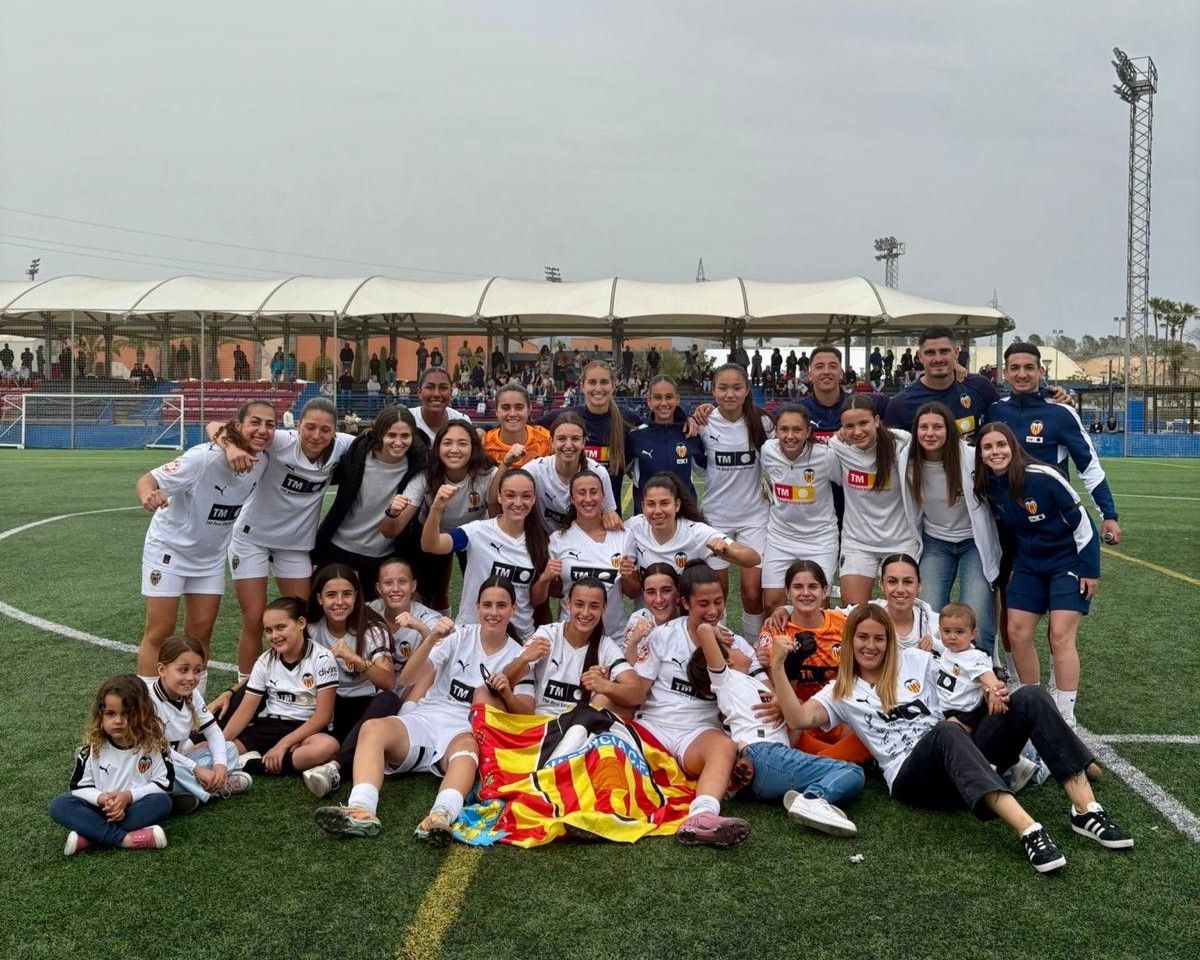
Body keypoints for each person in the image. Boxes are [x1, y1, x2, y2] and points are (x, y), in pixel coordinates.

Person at [780, 604, 1132, 873]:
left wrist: (990, 687)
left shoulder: (914, 660)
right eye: (863, 637)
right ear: (850, 639)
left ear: (889, 640)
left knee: (1030, 697)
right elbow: (797, 717)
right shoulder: (840, 691)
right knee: (945, 731)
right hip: (913, 777)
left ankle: (1085, 809)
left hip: (958, 752)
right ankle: (1029, 830)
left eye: (879, 637)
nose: (871, 645)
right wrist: (778, 668)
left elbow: (963, 669)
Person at [313, 578, 532, 842]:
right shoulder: (460, 635)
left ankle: (440, 816)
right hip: (428, 717)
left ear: (513, 609)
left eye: (501, 605)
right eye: (487, 605)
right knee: (373, 728)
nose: (493, 612)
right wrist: (433, 638)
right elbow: (407, 678)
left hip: (466, 728)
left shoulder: (519, 655)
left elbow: (525, 716)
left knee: (467, 751)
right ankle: (362, 809)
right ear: (477, 606)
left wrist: (506, 690)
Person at [205, 396, 355, 677]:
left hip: (296, 546)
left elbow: (378, 441)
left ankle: (299, 682)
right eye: (310, 427)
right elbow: (215, 425)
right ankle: (246, 686)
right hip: (251, 539)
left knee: (302, 619)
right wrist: (231, 447)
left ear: (336, 430)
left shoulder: (344, 446)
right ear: (298, 426)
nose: (316, 435)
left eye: (325, 430)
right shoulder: (281, 440)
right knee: (254, 619)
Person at [134, 400, 276, 681]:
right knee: (159, 632)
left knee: (200, 633)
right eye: (255, 422)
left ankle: (192, 706)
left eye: (270, 424)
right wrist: (148, 495)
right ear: (238, 426)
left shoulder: (263, 462)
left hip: (209, 559)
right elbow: (146, 480)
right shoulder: (202, 458)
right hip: (169, 551)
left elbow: (215, 427)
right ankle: (148, 708)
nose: (262, 430)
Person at [975, 423, 1100, 727]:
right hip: (1028, 564)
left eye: (1001, 445)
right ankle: (1035, 703)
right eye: (988, 447)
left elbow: (1083, 523)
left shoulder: (1044, 476)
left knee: (1060, 635)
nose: (996, 452)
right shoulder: (987, 484)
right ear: (980, 454)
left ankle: (1066, 714)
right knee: (1017, 632)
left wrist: (1090, 570)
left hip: (1066, 561)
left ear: (1013, 447)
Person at [700, 615, 864, 836]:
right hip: (764, 752)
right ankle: (814, 799)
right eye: (734, 647)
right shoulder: (727, 680)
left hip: (768, 765)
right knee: (850, 771)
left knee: (840, 769)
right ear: (726, 662)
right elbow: (703, 631)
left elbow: (793, 737)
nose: (742, 648)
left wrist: (788, 710)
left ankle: (755, 786)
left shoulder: (755, 684)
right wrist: (713, 629)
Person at [628, 561, 754, 847]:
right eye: (703, 604)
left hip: (696, 735)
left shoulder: (738, 647)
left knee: (723, 746)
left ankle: (703, 817)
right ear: (685, 603)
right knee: (611, 743)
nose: (712, 611)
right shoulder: (663, 636)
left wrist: (744, 671)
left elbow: (760, 695)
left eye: (719, 602)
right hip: (654, 728)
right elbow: (638, 691)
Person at [986, 342, 1121, 545]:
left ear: (1041, 371)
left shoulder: (1061, 412)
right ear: (1005, 373)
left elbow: (1088, 466)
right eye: (1015, 368)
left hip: (1053, 526)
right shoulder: (994, 411)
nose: (1022, 374)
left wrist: (1108, 515)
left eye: (1029, 367)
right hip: (1006, 526)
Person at [906, 402, 1002, 653]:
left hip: (974, 543)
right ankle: (937, 670)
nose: (930, 433)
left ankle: (983, 672)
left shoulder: (970, 457)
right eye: (923, 427)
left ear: (950, 430)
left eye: (937, 427)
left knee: (976, 612)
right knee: (929, 610)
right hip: (935, 542)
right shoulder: (907, 460)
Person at [688, 363, 772, 638]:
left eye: (737, 388)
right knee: (716, 592)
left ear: (747, 390)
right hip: (716, 518)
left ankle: (754, 647)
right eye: (722, 388)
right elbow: (699, 464)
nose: (729, 394)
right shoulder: (704, 422)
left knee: (751, 591)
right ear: (712, 390)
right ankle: (720, 647)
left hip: (754, 518)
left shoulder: (762, 422)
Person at [757, 560, 869, 763]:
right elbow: (773, 688)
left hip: (839, 716)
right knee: (781, 724)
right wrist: (786, 662)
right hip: (797, 722)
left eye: (813, 586)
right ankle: (835, 761)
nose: (806, 593)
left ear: (825, 591)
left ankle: (817, 762)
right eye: (798, 587)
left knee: (870, 732)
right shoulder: (775, 631)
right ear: (788, 593)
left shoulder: (844, 625)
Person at [49, 675, 174, 855]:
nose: (118, 721)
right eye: (110, 713)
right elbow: (79, 787)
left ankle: (91, 835)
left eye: (126, 714)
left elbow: (165, 784)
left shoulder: (154, 746)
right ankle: (126, 839)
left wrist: (128, 797)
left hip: (135, 808)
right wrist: (103, 799)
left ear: (142, 714)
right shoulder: (92, 748)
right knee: (60, 805)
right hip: (101, 810)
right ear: (100, 715)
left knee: (162, 802)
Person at [312, 406, 427, 598]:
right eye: (391, 435)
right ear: (380, 434)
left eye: (405, 436)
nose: (398, 442)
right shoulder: (357, 451)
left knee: (373, 618)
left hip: (381, 554)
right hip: (339, 545)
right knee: (324, 608)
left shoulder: (418, 466)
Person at [422, 468, 551, 639]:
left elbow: (534, 600)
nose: (518, 503)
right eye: (510, 495)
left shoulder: (540, 541)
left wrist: (545, 579)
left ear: (534, 499)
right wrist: (437, 507)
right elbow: (431, 545)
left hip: (518, 638)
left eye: (526, 496)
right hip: (471, 634)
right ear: (499, 497)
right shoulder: (477, 532)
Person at [220, 597, 341, 775]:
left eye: (281, 627)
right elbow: (245, 711)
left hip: (306, 730)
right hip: (270, 726)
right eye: (268, 631)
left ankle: (249, 765)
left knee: (328, 746)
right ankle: (270, 762)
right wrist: (221, 744)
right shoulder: (264, 660)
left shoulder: (322, 658)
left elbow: (322, 717)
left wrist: (283, 744)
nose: (274, 636)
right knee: (216, 749)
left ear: (301, 623)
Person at [825, 396, 920, 605]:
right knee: (852, 613)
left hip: (900, 542)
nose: (857, 431)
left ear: (877, 420)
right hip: (858, 543)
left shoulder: (902, 443)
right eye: (849, 426)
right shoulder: (838, 447)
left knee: (901, 609)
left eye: (863, 423)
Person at [398, 420, 496, 613]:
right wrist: (393, 512)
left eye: (462, 443)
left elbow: (496, 514)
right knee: (431, 591)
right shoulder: (426, 476)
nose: (454, 449)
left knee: (484, 589)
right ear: (437, 447)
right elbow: (394, 526)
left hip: (471, 534)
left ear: (473, 447)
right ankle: (433, 634)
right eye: (447, 442)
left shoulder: (486, 473)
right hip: (433, 532)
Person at [149, 636, 251, 809]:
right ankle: (213, 789)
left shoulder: (192, 694)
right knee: (169, 772)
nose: (191, 677)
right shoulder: (146, 700)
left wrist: (220, 765)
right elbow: (157, 749)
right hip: (152, 766)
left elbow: (213, 732)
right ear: (161, 670)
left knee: (229, 749)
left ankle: (191, 791)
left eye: (197, 671)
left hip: (181, 762)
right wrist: (196, 768)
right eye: (183, 670)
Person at [621, 473, 758, 594]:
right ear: (643, 506)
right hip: (648, 620)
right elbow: (633, 593)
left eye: (664, 503)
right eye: (651, 504)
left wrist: (730, 553)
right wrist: (627, 576)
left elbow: (753, 558)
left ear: (677, 505)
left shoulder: (695, 532)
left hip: (686, 619)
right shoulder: (633, 527)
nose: (657, 511)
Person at [759, 405, 840, 610]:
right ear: (776, 431)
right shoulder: (768, 450)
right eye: (784, 429)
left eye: (797, 430)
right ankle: (773, 642)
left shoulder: (825, 456)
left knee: (820, 604)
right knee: (771, 603)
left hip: (820, 538)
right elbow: (767, 478)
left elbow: (842, 482)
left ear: (808, 432)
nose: (790, 436)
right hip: (780, 537)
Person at [306, 564, 395, 741]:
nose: (340, 602)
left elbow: (388, 682)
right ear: (319, 598)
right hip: (324, 701)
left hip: (363, 701)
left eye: (346, 594)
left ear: (355, 596)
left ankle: (339, 759)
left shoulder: (373, 629)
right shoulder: (310, 628)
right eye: (331, 595)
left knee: (388, 700)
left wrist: (354, 658)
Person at [538, 360, 641, 505]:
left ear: (613, 386)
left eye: (604, 382)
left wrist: (684, 419)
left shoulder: (627, 418)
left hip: (609, 517)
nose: (598, 388)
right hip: (572, 516)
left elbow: (660, 427)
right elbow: (525, 427)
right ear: (582, 387)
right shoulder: (568, 417)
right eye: (592, 382)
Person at [549, 472, 635, 635]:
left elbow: (633, 592)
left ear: (603, 496)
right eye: (581, 493)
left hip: (613, 635)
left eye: (594, 492)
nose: (588, 499)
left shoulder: (624, 536)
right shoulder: (558, 539)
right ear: (572, 499)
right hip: (571, 636)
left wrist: (628, 577)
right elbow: (555, 590)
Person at [885, 326, 1000, 443]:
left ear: (956, 353)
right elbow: (892, 453)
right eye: (930, 353)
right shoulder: (901, 404)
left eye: (944, 351)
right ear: (920, 357)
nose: (938, 359)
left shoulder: (980, 386)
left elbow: (1001, 430)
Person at [521, 412, 620, 531]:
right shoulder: (535, 470)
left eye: (575, 439)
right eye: (561, 438)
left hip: (583, 543)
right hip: (544, 544)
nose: (568, 445)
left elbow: (609, 514)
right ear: (551, 442)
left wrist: (610, 516)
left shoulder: (598, 473)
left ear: (584, 442)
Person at [628, 375, 703, 512]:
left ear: (677, 399)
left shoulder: (690, 433)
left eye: (669, 397)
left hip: (684, 518)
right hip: (648, 519)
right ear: (649, 401)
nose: (663, 403)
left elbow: (704, 470)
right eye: (657, 397)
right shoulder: (635, 436)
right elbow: (619, 469)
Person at [482, 382, 552, 469]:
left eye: (519, 407)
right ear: (496, 411)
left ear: (529, 409)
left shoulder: (546, 439)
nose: (512, 414)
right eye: (505, 408)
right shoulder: (484, 444)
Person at [409, 367, 472, 445]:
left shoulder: (463, 421)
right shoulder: (407, 419)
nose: (436, 394)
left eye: (443, 388)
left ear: (451, 393)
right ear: (419, 392)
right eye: (430, 387)